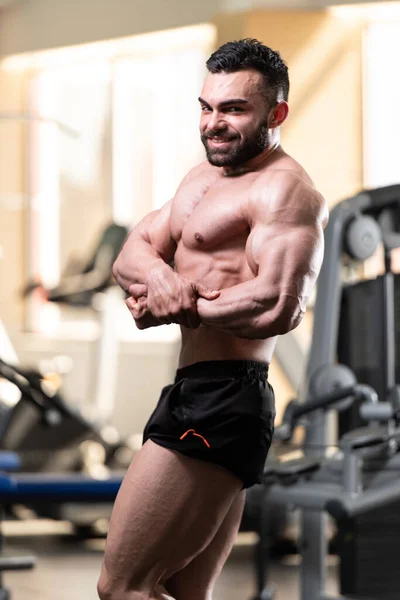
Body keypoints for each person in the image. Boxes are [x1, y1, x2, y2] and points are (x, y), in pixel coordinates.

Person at [97, 38, 328, 600]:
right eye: (207, 107)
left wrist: (182, 303)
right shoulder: (199, 180)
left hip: (225, 399)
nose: (214, 124)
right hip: (195, 388)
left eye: (233, 110)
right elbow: (131, 253)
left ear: (276, 114)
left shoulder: (285, 191)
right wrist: (163, 281)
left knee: (121, 587)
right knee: (181, 591)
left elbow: (279, 305)